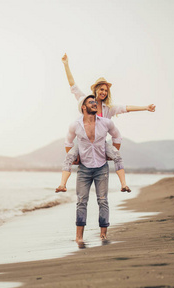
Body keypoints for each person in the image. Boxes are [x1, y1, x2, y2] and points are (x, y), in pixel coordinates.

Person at [55, 54, 156, 194]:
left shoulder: (109, 108)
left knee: (117, 155)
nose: (103, 92)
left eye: (106, 91)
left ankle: (124, 184)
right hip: (84, 143)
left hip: (101, 144)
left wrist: (145, 107)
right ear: (95, 89)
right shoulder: (85, 100)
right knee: (68, 157)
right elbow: (73, 85)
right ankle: (62, 185)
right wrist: (66, 64)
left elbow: (126, 108)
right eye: (101, 89)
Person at [66, 95, 121, 241]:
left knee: (103, 200)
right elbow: (68, 141)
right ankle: (79, 237)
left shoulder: (105, 122)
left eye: (95, 102)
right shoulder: (75, 125)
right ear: (83, 107)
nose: (95, 104)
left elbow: (117, 136)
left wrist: (112, 153)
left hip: (102, 167)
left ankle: (103, 234)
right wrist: (74, 158)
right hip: (84, 167)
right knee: (81, 201)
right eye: (91, 102)